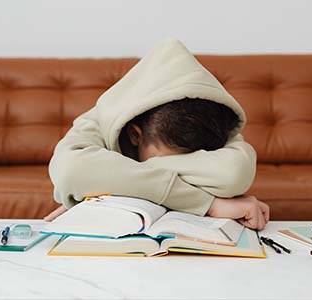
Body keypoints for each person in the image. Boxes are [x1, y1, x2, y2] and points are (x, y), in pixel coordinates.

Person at [46, 38, 269, 230]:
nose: (180, 165)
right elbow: (70, 171)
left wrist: (103, 183)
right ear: (135, 135)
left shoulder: (212, 119)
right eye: (169, 159)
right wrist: (208, 203)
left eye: (192, 161)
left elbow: (232, 173)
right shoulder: (101, 118)